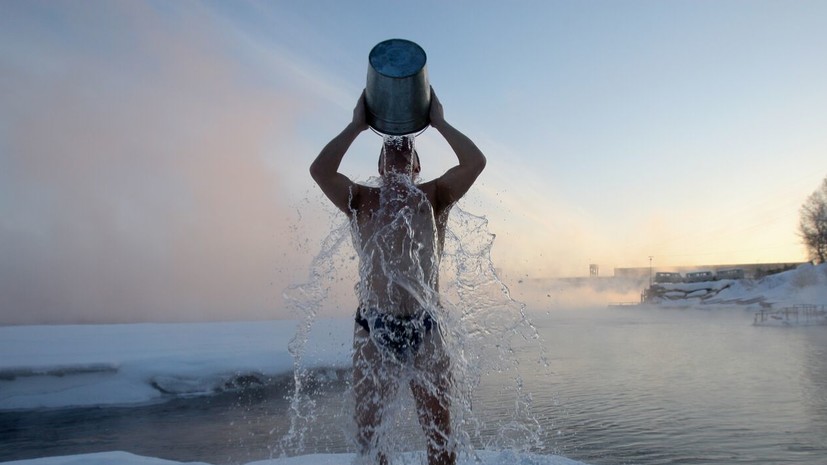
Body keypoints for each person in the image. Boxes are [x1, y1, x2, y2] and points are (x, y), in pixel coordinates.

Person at [309, 88, 486, 465]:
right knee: (370, 441)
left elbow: (475, 162)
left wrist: (439, 122)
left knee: (440, 437)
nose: (398, 148)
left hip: (425, 327)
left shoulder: (434, 196)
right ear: (379, 165)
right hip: (373, 328)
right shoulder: (360, 200)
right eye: (389, 149)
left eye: (407, 149)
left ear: (417, 166)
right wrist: (356, 126)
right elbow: (320, 171)